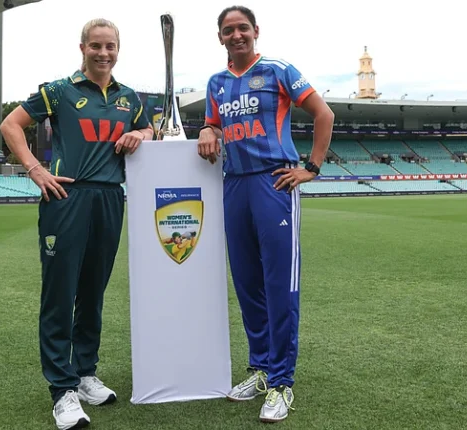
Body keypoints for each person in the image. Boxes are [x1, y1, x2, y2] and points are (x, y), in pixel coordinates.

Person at [0, 18, 153, 430]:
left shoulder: (129, 97)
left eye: (110, 46)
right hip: (66, 198)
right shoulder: (59, 90)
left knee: (92, 291)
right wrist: (34, 168)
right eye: (96, 46)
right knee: (60, 293)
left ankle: (85, 374)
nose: (104, 53)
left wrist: (141, 134)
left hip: (110, 198)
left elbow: (149, 127)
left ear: (118, 50)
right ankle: (62, 390)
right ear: (83, 48)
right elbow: (10, 124)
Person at [197, 5, 335, 423]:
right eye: (228, 30)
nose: (236, 35)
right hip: (234, 184)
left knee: (279, 284)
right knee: (247, 283)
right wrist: (206, 129)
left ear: (256, 31)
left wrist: (311, 168)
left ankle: (281, 382)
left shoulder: (278, 69)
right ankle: (260, 369)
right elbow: (214, 125)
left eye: (242, 28)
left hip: (274, 182)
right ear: (219, 37)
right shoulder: (216, 83)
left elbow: (324, 113)